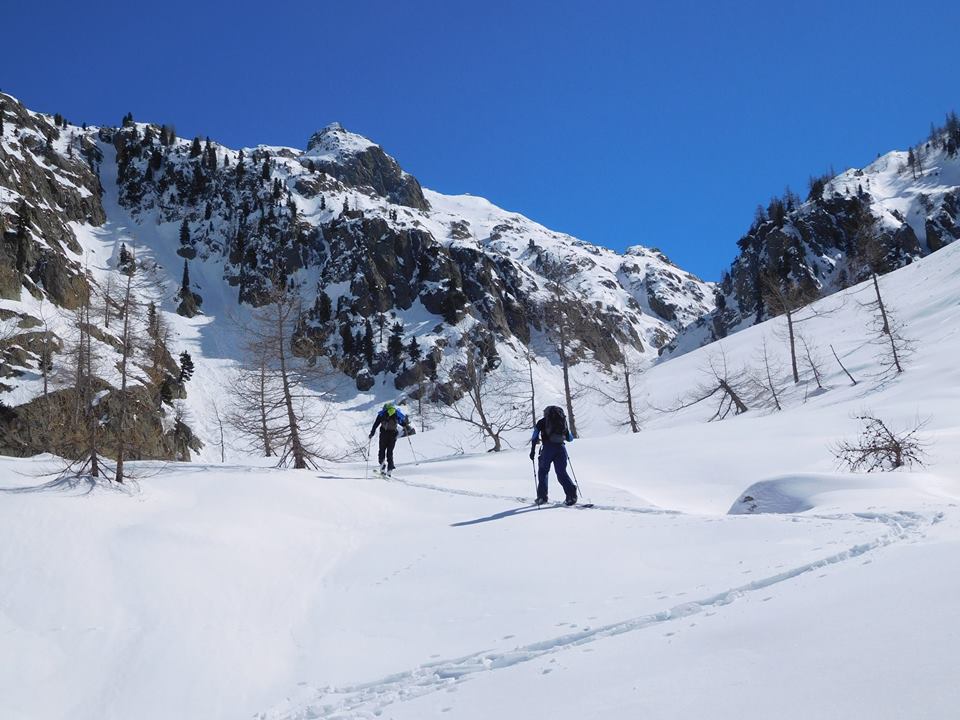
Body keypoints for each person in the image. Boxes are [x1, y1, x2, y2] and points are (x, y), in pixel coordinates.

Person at [529, 405, 577, 506]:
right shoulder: (562, 422)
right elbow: (570, 438)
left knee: (543, 471)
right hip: (561, 449)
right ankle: (571, 495)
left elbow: (534, 437)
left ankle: (542, 497)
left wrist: (532, 451)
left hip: (548, 449)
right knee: (561, 472)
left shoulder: (542, 422)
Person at [369, 402, 414, 475]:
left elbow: (375, 425)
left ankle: (382, 465)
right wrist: (406, 426)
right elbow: (403, 423)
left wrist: (372, 434)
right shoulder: (396, 414)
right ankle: (390, 469)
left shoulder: (382, 414)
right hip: (393, 435)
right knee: (390, 452)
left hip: (384, 434)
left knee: (382, 450)